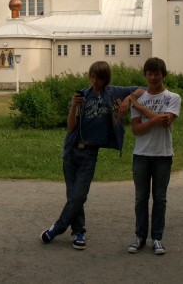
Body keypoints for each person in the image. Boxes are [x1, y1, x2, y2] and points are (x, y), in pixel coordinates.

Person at [40, 61, 142, 250]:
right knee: (73, 195)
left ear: (106, 79)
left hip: (89, 152)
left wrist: (128, 100)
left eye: (100, 78)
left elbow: (142, 89)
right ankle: (79, 232)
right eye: (93, 77)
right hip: (71, 150)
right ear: (90, 76)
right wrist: (73, 107)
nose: (96, 81)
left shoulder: (113, 92)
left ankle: (57, 228)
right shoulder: (82, 95)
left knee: (79, 195)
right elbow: (70, 126)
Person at [127, 57, 181, 255]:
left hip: (163, 154)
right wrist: (155, 118)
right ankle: (140, 236)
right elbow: (136, 130)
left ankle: (157, 238)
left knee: (160, 198)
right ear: (145, 75)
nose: (153, 77)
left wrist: (141, 109)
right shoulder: (138, 97)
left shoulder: (173, 98)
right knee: (141, 198)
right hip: (141, 154)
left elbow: (166, 122)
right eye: (149, 74)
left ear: (163, 75)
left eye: (157, 73)